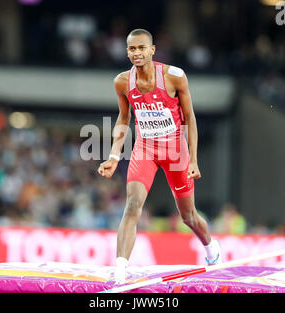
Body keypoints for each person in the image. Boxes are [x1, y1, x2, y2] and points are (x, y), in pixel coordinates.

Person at [97, 29, 221, 283]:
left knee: (187, 216)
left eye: (142, 48)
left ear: (152, 50)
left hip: (176, 150)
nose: (137, 53)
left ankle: (210, 247)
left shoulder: (174, 77)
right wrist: (113, 154)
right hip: (146, 149)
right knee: (132, 206)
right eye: (132, 49)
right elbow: (124, 118)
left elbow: (190, 119)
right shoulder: (122, 81)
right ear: (127, 52)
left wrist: (194, 159)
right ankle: (120, 270)